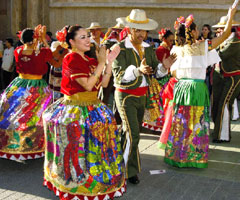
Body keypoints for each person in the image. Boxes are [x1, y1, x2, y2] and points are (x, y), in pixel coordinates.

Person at [42, 25, 125, 200]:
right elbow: (87, 85)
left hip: (93, 106)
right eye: (82, 37)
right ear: (71, 42)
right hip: (75, 109)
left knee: (94, 147)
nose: (88, 39)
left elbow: (102, 84)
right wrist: (102, 62)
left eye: (88, 36)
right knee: (77, 148)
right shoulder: (71, 58)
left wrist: (108, 63)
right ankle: (75, 183)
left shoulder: (90, 61)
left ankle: (95, 179)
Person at [164, 3, 238, 168]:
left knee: (181, 122)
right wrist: (231, 15)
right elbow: (226, 34)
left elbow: (173, 73)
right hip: (196, 88)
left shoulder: (176, 48)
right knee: (196, 122)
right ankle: (194, 157)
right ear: (192, 31)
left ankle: (178, 156)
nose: (198, 32)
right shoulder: (204, 46)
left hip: (181, 88)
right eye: (196, 29)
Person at [112, 9, 176, 184]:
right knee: (134, 134)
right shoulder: (119, 49)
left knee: (129, 134)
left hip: (142, 97)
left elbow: (157, 72)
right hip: (125, 97)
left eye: (144, 30)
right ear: (130, 29)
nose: (142, 34)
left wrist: (164, 66)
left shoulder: (148, 49)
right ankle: (127, 171)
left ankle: (115, 161)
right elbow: (118, 75)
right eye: (138, 30)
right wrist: (137, 70)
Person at [0, 25, 53, 161]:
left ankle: (13, 143)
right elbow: (50, 55)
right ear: (34, 39)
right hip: (36, 88)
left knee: (15, 115)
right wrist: (43, 40)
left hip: (19, 85)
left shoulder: (18, 51)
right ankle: (33, 145)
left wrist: (37, 41)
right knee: (35, 117)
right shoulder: (40, 52)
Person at [211, 16, 240, 142]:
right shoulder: (225, 39)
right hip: (221, 75)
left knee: (224, 104)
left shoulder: (235, 39)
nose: (219, 32)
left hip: (233, 77)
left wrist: (206, 49)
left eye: (221, 29)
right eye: (218, 30)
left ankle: (222, 136)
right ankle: (218, 132)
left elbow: (221, 54)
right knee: (216, 104)